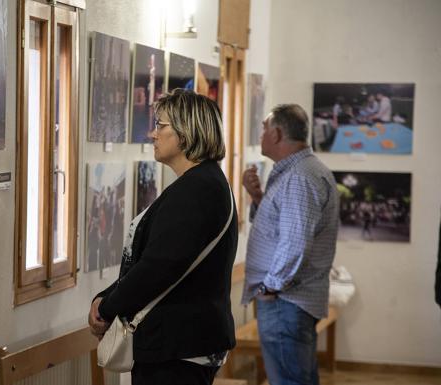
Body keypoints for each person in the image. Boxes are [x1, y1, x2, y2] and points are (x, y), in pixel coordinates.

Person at [88, 89, 238, 385]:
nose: (152, 133)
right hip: (183, 342)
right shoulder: (203, 184)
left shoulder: (198, 190)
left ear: (186, 132)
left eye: (161, 125)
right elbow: (160, 260)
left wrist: (107, 308)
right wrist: (107, 295)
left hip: (178, 347)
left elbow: (157, 268)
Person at [242, 104, 339, 385]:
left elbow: (295, 243)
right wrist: (258, 197)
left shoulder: (299, 177)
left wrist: (270, 287)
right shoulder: (297, 171)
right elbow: (283, 229)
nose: (260, 134)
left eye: (263, 128)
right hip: (289, 302)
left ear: (277, 133)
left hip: (285, 302)